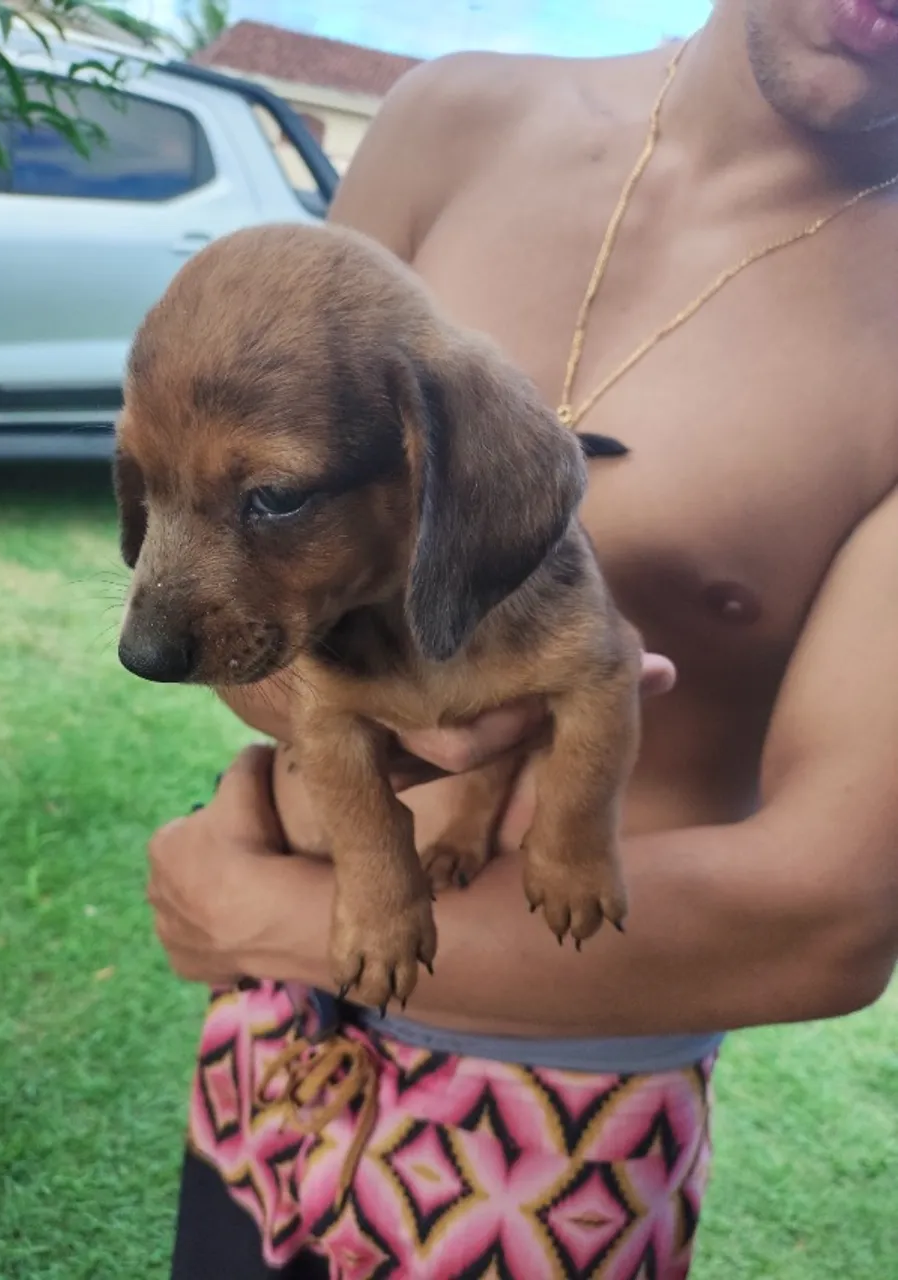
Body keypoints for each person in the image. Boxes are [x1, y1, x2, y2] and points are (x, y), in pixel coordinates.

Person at [149, 1, 898, 1275]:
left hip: (560, 1105)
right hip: (274, 1038)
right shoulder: (448, 123)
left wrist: (258, 909)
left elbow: (827, 917)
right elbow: (239, 579)